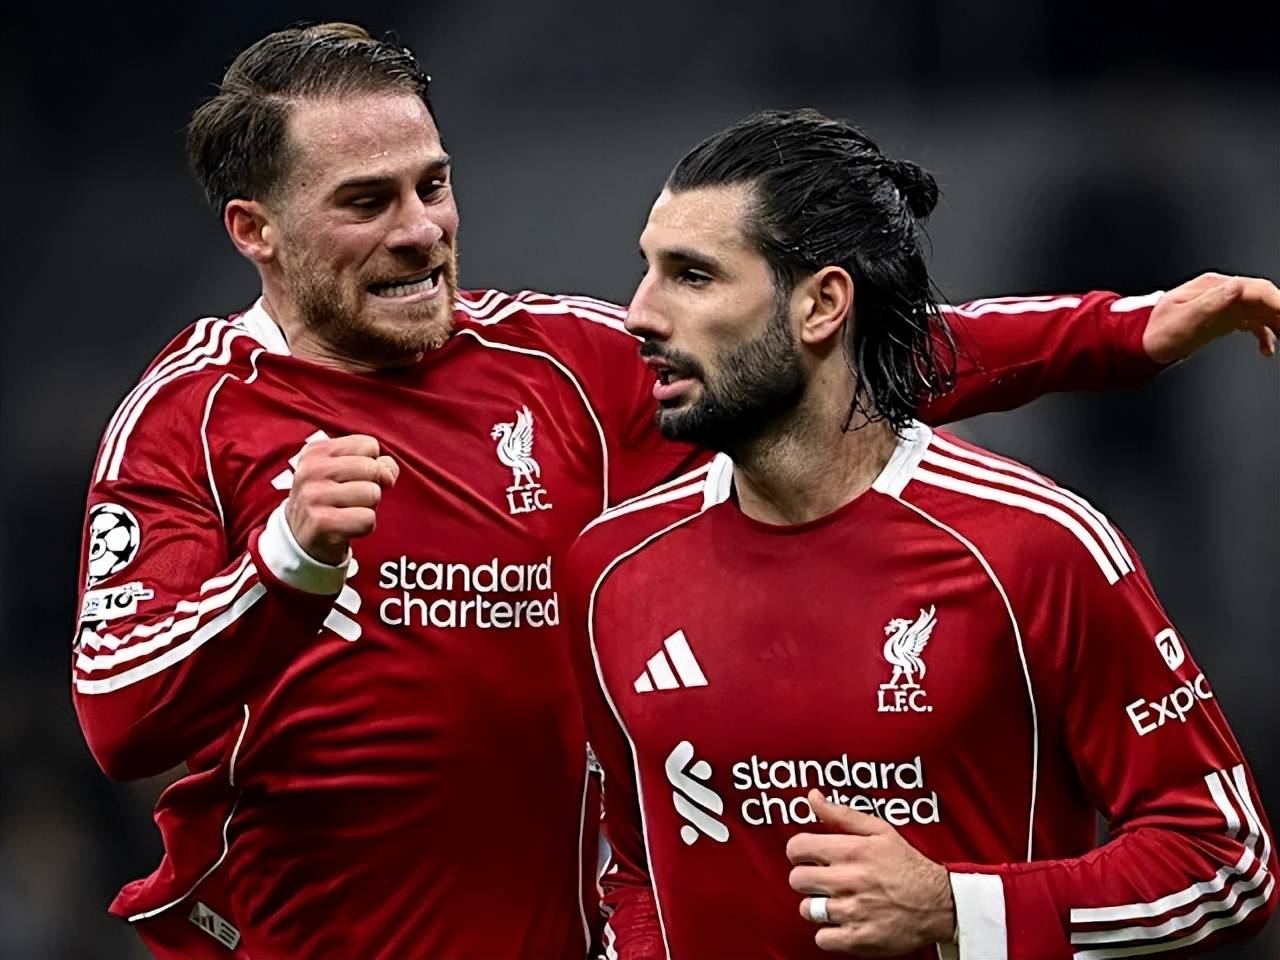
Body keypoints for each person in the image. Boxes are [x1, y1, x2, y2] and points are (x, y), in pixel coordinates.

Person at [70, 23, 1275, 960]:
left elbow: (819, 359)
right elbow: (120, 720)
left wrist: (1116, 333)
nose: (421, 231)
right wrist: (286, 562)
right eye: (365, 202)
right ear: (255, 230)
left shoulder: (556, 365)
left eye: (432, 185)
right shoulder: (192, 416)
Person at [568, 109, 1278, 959]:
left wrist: (956, 908)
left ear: (821, 305)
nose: (638, 314)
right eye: (647, 270)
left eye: (692, 276)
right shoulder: (610, 570)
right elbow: (636, 872)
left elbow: (1226, 861)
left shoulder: (1035, 549)